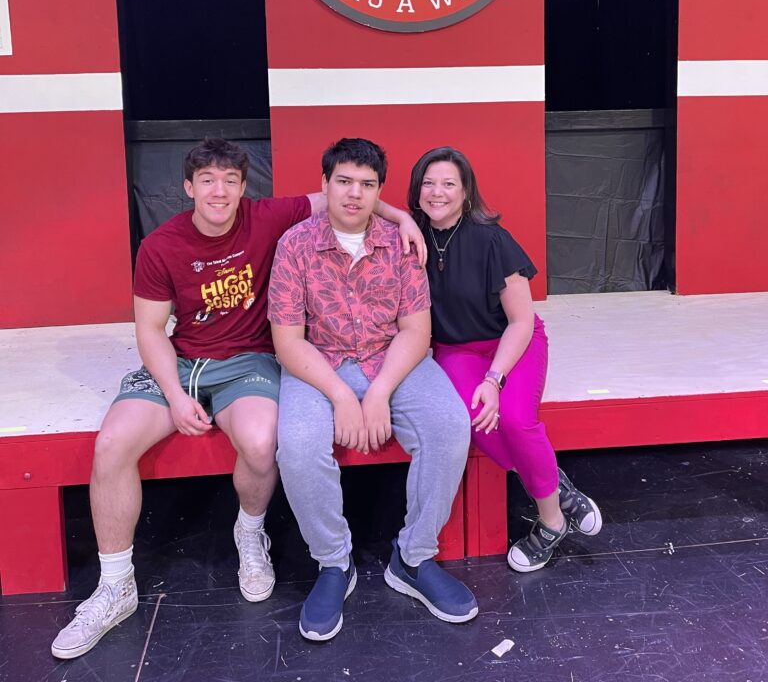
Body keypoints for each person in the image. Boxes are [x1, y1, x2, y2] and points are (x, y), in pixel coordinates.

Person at [51, 137, 425, 660]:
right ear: (188, 188)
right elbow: (152, 331)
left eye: (230, 180)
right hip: (179, 361)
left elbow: (345, 194)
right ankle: (115, 586)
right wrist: (176, 396)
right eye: (207, 181)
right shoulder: (160, 245)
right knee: (112, 443)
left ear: (244, 188)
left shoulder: (267, 217)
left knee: (261, 438)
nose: (219, 191)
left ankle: (250, 534)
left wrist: (403, 218)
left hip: (247, 360)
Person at [268, 138, 478, 642]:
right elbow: (287, 343)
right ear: (325, 185)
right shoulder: (295, 244)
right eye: (344, 181)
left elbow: (416, 330)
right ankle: (333, 564)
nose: (354, 194)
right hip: (319, 363)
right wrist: (343, 395)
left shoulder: (399, 243)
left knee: (449, 427)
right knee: (296, 447)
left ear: (379, 190)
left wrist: (378, 392)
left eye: (367, 185)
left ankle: (413, 557)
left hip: (393, 359)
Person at [407, 146, 602, 574]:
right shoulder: (409, 237)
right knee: (471, 421)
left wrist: (494, 379)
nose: (437, 192)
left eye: (448, 184)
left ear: (466, 192)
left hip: (513, 341)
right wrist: (403, 218)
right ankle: (556, 494)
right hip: (457, 349)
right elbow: (367, 203)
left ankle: (549, 524)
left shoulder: (491, 238)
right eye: (428, 183)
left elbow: (521, 320)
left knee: (515, 418)